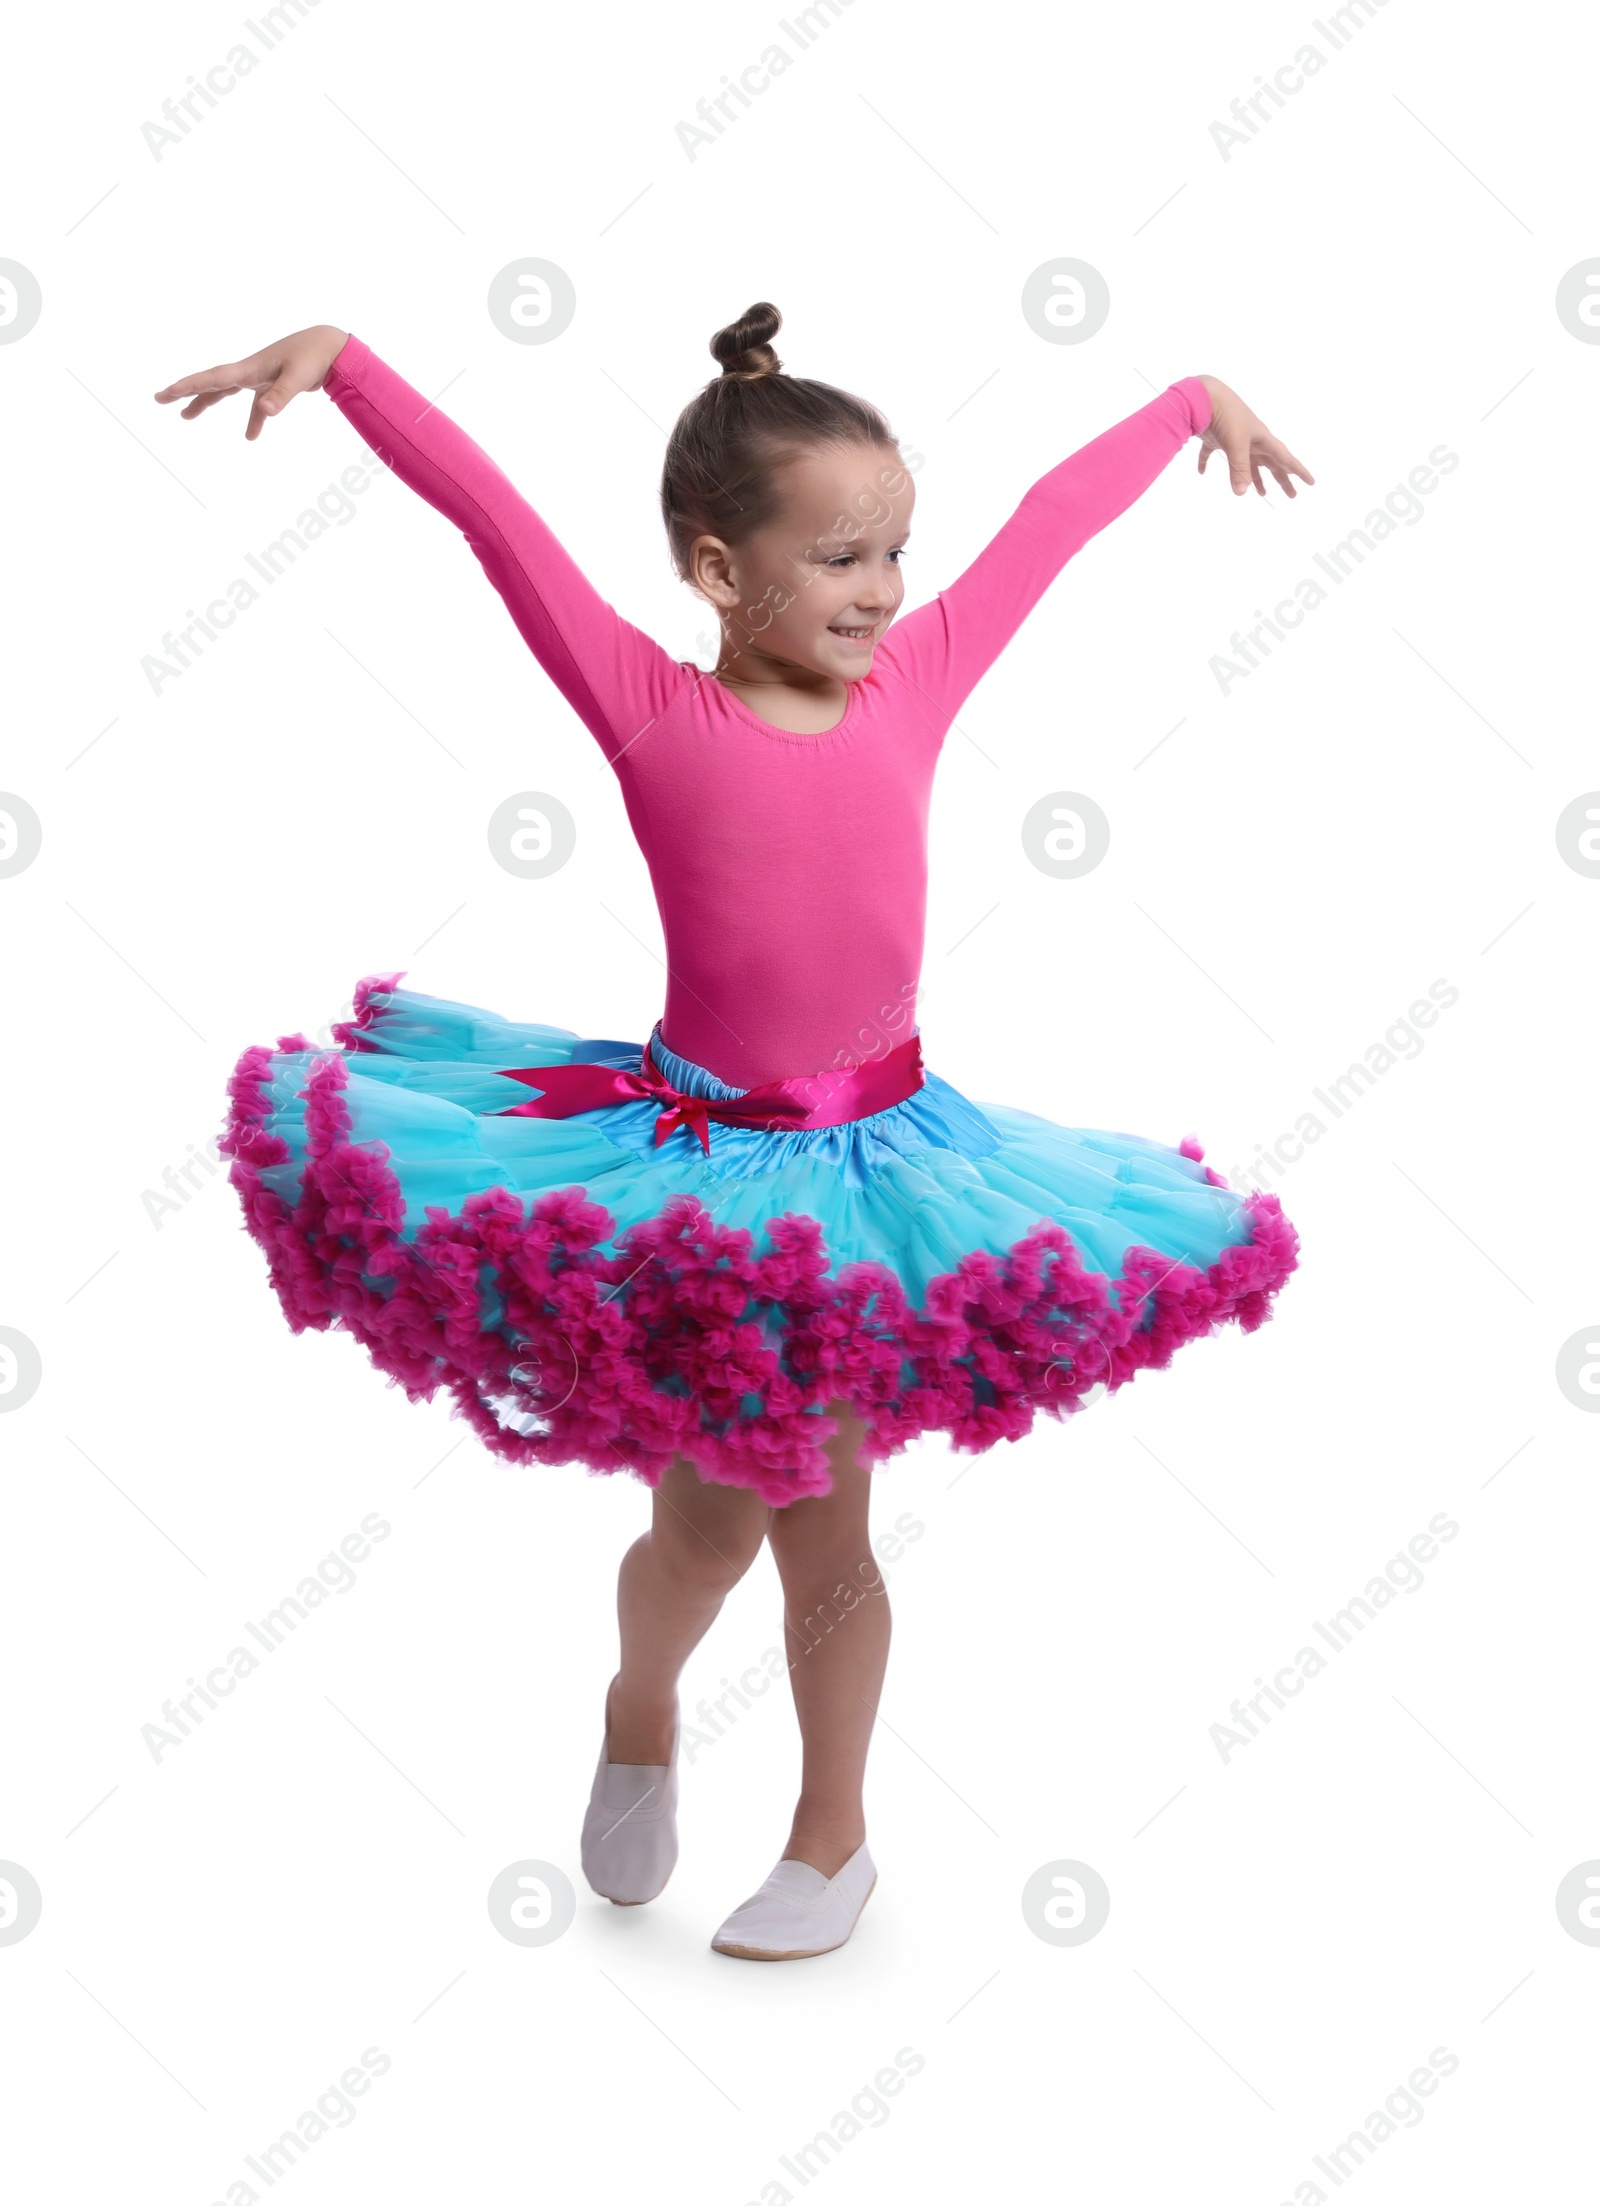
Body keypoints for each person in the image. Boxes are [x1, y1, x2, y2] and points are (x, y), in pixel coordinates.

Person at [155, 303, 1309, 1961]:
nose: (882, 588)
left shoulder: (915, 677)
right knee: (699, 1530)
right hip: (697, 1171)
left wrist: (1189, 398)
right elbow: (500, 523)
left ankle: (831, 1835)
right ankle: (640, 1707)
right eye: (841, 555)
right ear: (714, 571)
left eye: (895, 551)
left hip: (883, 1172)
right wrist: (345, 364)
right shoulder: (649, 711)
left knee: (827, 1519)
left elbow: (1050, 525)